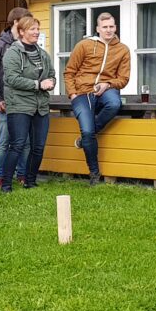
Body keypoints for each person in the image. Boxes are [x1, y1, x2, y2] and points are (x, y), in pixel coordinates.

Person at [64, 12, 130, 186]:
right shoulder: (84, 45)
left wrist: (107, 84)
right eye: (105, 27)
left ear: (115, 28)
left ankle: (87, 137)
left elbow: (123, 79)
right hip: (82, 91)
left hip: (106, 89)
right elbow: (69, 71)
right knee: (87, 131)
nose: (108, 30)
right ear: (98, 29)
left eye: (111, 26)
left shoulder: (122, 49)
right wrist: (72, 93)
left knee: (114, 103)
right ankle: (94, 173)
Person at [1, 16, 56, 192]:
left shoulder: (43, 54)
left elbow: (52, 74)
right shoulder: (12, 53)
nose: (36, 32)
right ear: (22, 32)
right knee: (17, 145)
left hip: (41, 106)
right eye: (32, 29)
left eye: (37, 29)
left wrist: (52, 82)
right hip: (19, 105)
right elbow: (11, 79)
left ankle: (30, 181)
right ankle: (6, 184)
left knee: (38, 146)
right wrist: (38, 85)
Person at [0, 7, 31, 188]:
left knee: (25, 141)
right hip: (6, 101)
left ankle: (21, 174)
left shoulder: (29, 44)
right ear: (15, 23)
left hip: (25, 102)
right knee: (4, 141)